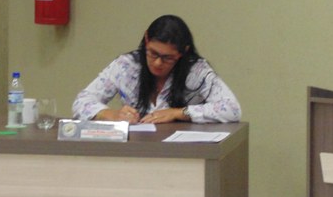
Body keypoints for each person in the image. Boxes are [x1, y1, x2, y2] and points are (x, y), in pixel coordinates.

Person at [72, 14, 241, 124]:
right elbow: (81, 102)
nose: (158, 63)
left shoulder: (196, 70)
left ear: (183, 52)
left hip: (183, 152)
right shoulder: (126, 65)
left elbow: (232, 109)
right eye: (153, 53)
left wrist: (178, 113)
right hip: (136, 149)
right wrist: (110, 114)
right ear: (146, 40)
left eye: (168, 58)